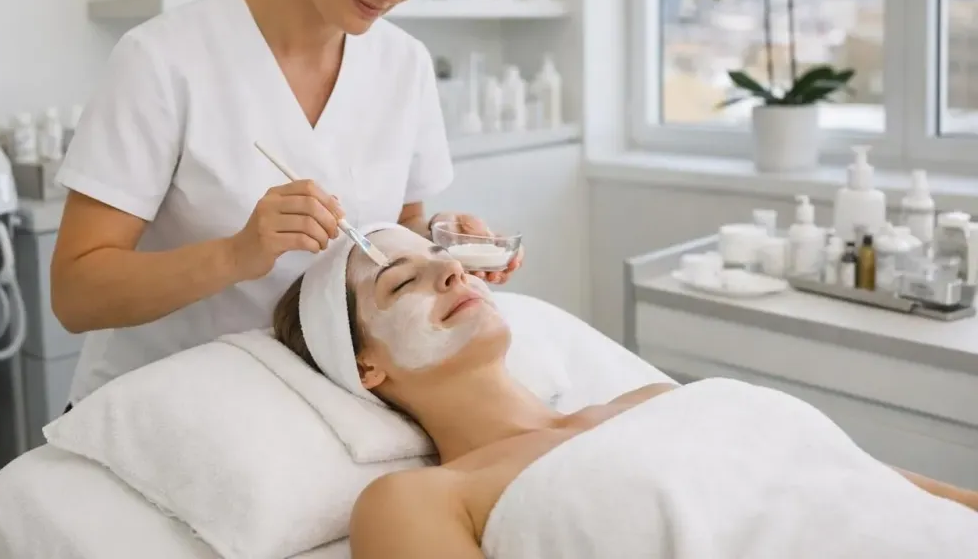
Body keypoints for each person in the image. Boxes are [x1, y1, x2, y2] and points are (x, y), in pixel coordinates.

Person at [50, 0, 523, 407]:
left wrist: (439, 247)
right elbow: (75, 293)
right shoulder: (163, 60)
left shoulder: (403, 65)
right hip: (160, 410)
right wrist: (236, 254)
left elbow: (394, 230)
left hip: (312, 411)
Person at [272, 224, 978, 558]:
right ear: (368, 369)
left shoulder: (648, 399)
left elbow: (873, 485)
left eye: (447, 261)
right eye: (403, 283)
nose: (453, 275)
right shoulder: (422, 499)